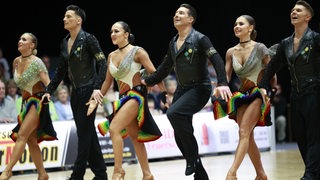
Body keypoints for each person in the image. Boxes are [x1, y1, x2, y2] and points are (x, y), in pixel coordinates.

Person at [141, 3, 232, 179]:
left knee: (173, 114)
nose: (176, 15)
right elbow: (164, 68)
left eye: (181, 13)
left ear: (191, 19)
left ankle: (192, 159)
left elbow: (217, 60)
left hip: (200, 88)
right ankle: (199, 171)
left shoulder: (200, 39)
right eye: (176, 13)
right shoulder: (173, 42)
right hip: (182, 90)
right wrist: (147, 81)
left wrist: (222, 82)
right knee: (178, 131)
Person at [88, 21, 166, 180]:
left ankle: (118, 171)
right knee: (135, 137)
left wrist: (164, 94)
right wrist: (96, 99)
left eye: (116, 31)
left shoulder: (138, 52)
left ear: (126, 34)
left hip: (136, 96)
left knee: (114, 128)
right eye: (111, 32)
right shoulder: (111, 56)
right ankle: (147, 174)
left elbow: (154, 73)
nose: (112, 34)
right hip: (123, 99)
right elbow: (107, 82)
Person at [43, 5, 108, 180]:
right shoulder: (65, 42)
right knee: (88, 133)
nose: (64, 19)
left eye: (68, 16)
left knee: (84, 134)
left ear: (78, 20)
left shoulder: (88, 39)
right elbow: (60, 70)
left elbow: (103, 64)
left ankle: (77, 175)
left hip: (89, 92)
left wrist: (97, 87)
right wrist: (49, 90)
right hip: (75, 93)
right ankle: (101, 174)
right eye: (64, 16)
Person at [258, 1, 320, 179]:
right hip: (296, 94)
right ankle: (314, 173)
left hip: (314, 93)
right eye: (293, 10)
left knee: (314, 136)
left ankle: (309, 175)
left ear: (307, 17)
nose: (294, 12)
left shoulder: (315, 38)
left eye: (299, 10)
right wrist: (262, 85)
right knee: (301, 137)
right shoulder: (285, 43)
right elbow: (273, 66)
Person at [214, 15, 277, 180]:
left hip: (258, 93)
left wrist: (270, 88)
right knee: (247, 135)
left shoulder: (260, 48)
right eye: (235, 24)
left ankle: (232, 173)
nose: (237, 26)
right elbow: (226, 76)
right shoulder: (230, 52)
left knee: (243, 132)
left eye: (241, 23)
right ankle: (261, 174)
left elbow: (271, 72)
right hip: (242, 96)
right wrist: (219, 87)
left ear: (250, 28)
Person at [0, 32, 57, 180]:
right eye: (19, 38)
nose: (20, 41)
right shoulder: (16, 62)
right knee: (31, 140)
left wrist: (48, 93)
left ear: (32, 45)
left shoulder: (37, 62)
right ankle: (42, 173)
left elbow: (48, 83)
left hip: (37, 102)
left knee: (22, 135)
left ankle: (7, 170)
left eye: (24, 39)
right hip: (25, 104)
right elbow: (21, 86)